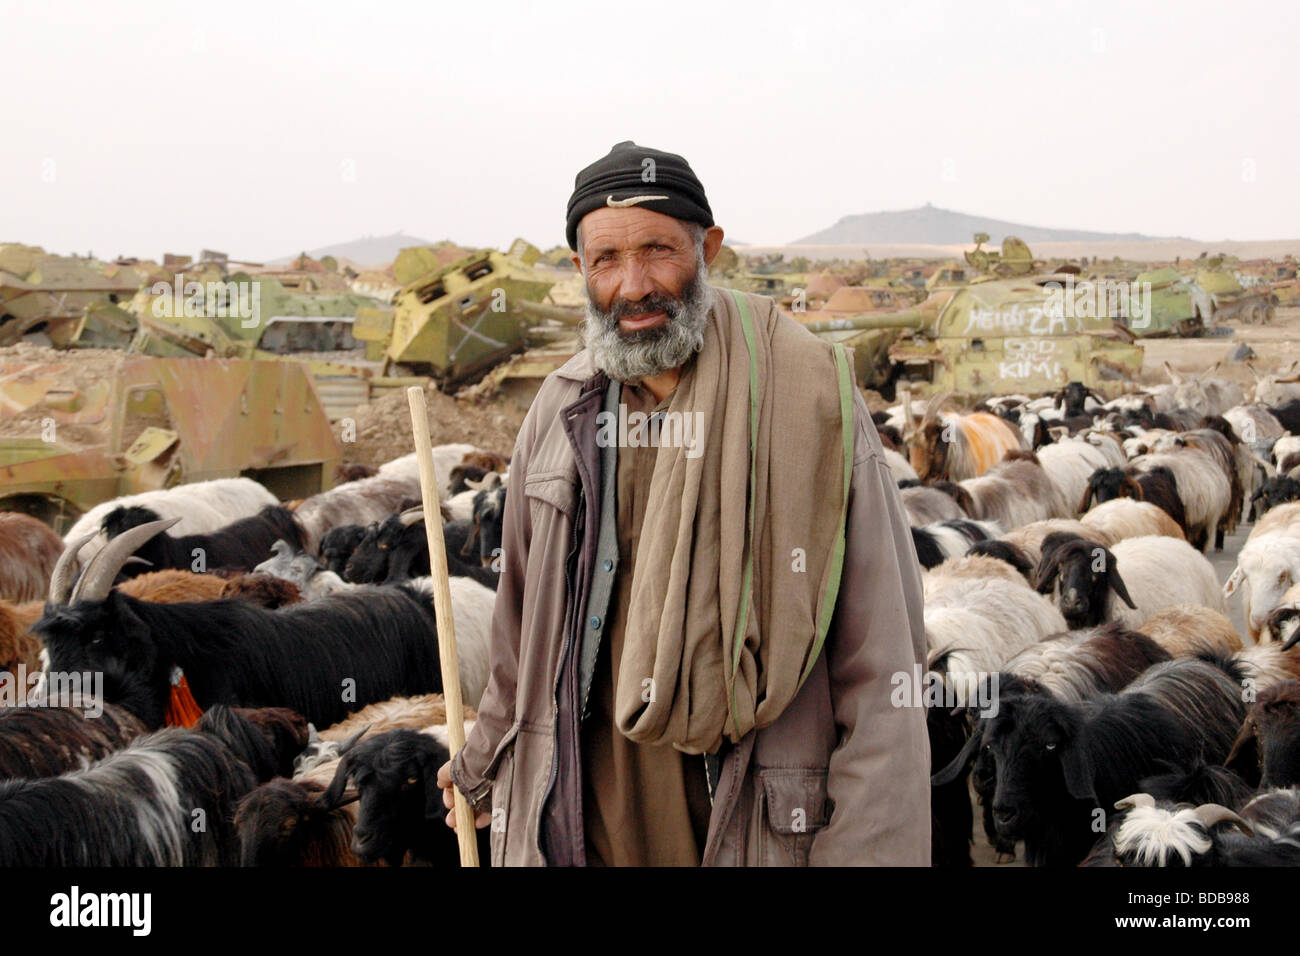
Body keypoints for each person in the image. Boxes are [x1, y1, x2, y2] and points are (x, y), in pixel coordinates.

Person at [437, 141, 930, 866]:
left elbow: (884, 667)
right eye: (606, 259)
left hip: (748, 824)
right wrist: (482, 768)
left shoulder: (810, 400)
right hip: (583, 817)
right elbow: (520, 637)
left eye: (658, 250)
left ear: (709, 250)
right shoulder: (560, 410)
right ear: (580, 269)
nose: (633, 285)